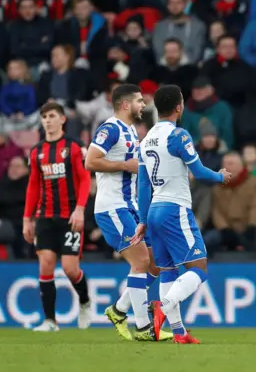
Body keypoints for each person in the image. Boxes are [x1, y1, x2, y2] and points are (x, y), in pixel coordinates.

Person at [133, 85, 232, 344]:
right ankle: (163, 307)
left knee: (168, 272)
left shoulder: (146, 140)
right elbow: (198, 172)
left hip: (154, 210)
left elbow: (143, 185)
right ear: (179, 107)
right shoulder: (179, 135)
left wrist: (143, 220)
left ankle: (179, 332)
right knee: (199, 268)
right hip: (174, 209)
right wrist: (220, 176)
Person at [84, 84, 170, 342]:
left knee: (155, 262)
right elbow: (90, 161)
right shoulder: (110, 128)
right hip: (112, 207)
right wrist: (125, 165)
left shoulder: (131, 130)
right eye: (139, 101)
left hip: (130, 206)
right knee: (141, 262)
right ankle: (144, 327)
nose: (144, 105)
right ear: (124, 104)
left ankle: (119, 310)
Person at [22, 102, 91, 332]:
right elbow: (33, 185)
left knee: (70, 268)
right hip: (45, 216)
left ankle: (84, 300)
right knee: (46, 264)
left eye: (52, 116)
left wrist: (80, 209)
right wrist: (27, 218)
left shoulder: (74, 147)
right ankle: (50, 321)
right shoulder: (36, 151)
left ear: (62, 119)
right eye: (44, 116)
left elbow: (84, 179)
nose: (47, 120)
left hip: (70, 216)